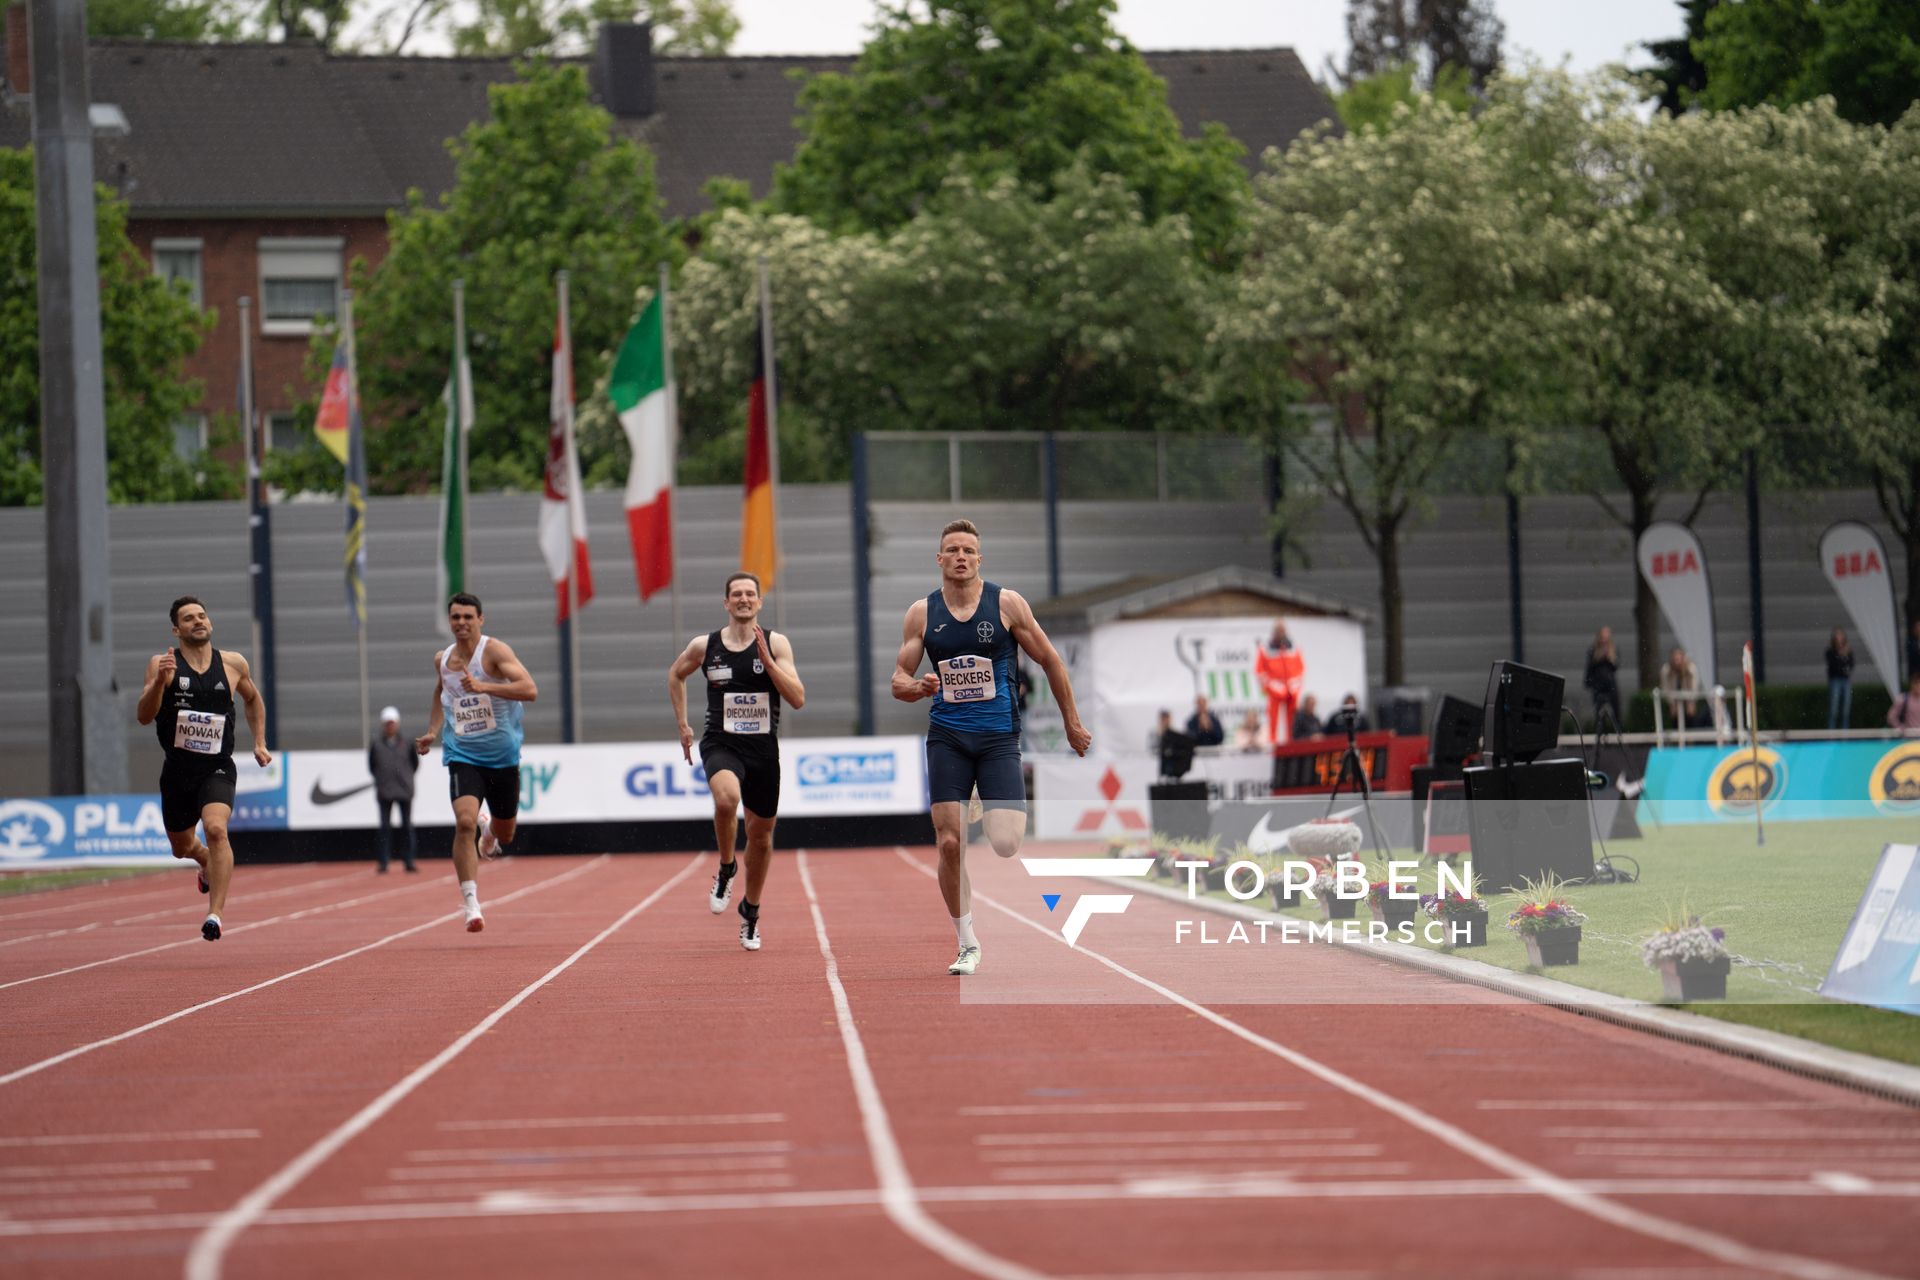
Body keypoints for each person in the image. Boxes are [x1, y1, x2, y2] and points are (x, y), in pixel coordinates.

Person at [891, 519, 1090, 976]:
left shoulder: (1007, 604)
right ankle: (966, 941)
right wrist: (917, 687)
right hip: (948, 737)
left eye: (968, 550)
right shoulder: (922, 613)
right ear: (939, 560)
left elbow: (1051, 661)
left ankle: (981, 797)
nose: (960, 557)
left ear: (980, 558)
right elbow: (897, 680)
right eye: (952, 550)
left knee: (1004, 843)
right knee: (948, 842)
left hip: (999, 737)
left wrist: (1072, 724)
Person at [668, 571, 805, 951]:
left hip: (763, 751)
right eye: (737, 595)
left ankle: (751, 911)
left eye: (750, 594)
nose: (744, 599)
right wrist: (682, 723)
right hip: (720, 743)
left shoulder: (776, 643)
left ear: (759, 602)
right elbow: (675, 675)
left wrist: (768, 662)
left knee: (761, 836)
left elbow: (797, 698)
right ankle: (727, 867)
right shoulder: (705, 646)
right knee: (726, 799)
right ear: (726, 603)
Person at [134, 595, 272, 942]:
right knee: (181, 847)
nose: (197, 621)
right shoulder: (162, 663)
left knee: (216, 829)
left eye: (201, 616)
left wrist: (259, 742)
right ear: (176, 629)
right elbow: (144, 715)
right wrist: (158, 684)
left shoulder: (233, 663)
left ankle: (215, 914)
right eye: (188, 618)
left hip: (217, 767)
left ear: (210, 623)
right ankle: (203, 861)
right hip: (178, 771)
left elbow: (253, 699)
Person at [414, 593, 537, 933]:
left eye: (468, 616)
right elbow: (442, 694)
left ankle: (490, 832)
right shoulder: (443, 659)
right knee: (464, 822)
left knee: (506, 834)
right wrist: (432, 731)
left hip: (503, 758)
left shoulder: (494, 652)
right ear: (449, 621)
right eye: (456, 617)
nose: (462, 623)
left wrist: (483, 686)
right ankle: (471, 903)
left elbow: (529, 689)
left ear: (481, 619)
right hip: (462, 754)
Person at [368, 706, 418, 873]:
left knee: (407, 826)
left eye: (393, 723)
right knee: (384, 828)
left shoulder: (408, 742)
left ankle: (409, 860)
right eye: (387, 723)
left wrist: (406, 779)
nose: (390, 726)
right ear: (383, 725)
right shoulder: (376, 743)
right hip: (384, 791)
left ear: (397, 724)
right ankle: (383, 862)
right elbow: (372, 766)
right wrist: (382, 780)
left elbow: (415, 763)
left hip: (404, 790)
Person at [1254, 620, 1305, 746]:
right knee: (1273, 720)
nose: (1280, 633)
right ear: (1273, 632)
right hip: (1274, 690)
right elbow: (1260, 671)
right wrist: (1273, 686)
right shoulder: (1265, 649)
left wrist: (1294, 685)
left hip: (1291, 691)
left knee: (1292, 721)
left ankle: (1291, 745)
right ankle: (1272, 744)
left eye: (1282, 630)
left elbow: (1301, 668)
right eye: (1278, 631)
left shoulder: (1293, 647)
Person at [1659, 646, 1708, 729]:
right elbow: (1665, 688)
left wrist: (1691, 701)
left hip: (1688, 698)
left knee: (1691, 719)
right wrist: (1671, 703)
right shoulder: (1666, 670)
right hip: (1674, 698)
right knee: (1675, 720)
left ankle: (1691, 738)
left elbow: (1695, 687)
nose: (1677, 662)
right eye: (1674, 660)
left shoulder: (1691, 668)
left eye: (1678, 659)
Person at [1584, 627, 1621, 731]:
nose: (1604, 641)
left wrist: (1609, 658)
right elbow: (1589, 668)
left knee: (1616, 713)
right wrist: (1599, 658)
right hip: (1598, 686)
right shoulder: (1593, 651)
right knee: (1599, 714)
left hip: (1611, 686)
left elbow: (1615, 667)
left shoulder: (1613, 650)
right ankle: (1600, 734)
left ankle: (1618, 733)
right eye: (1602, 638)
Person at [1826, 628, 1855, 731]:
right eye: (1837, 636)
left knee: (1845, 710)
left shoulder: (1848, 650)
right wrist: (1841, 655)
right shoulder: (1830, 651)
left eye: (1840, 635)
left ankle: (1844, 734)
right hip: (1835, 680)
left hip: (1845, 681)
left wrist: (1844, 657)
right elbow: (1834, 666)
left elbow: (1851, 665)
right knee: (1833, 709)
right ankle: (1831, 734)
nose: (1839, 638)